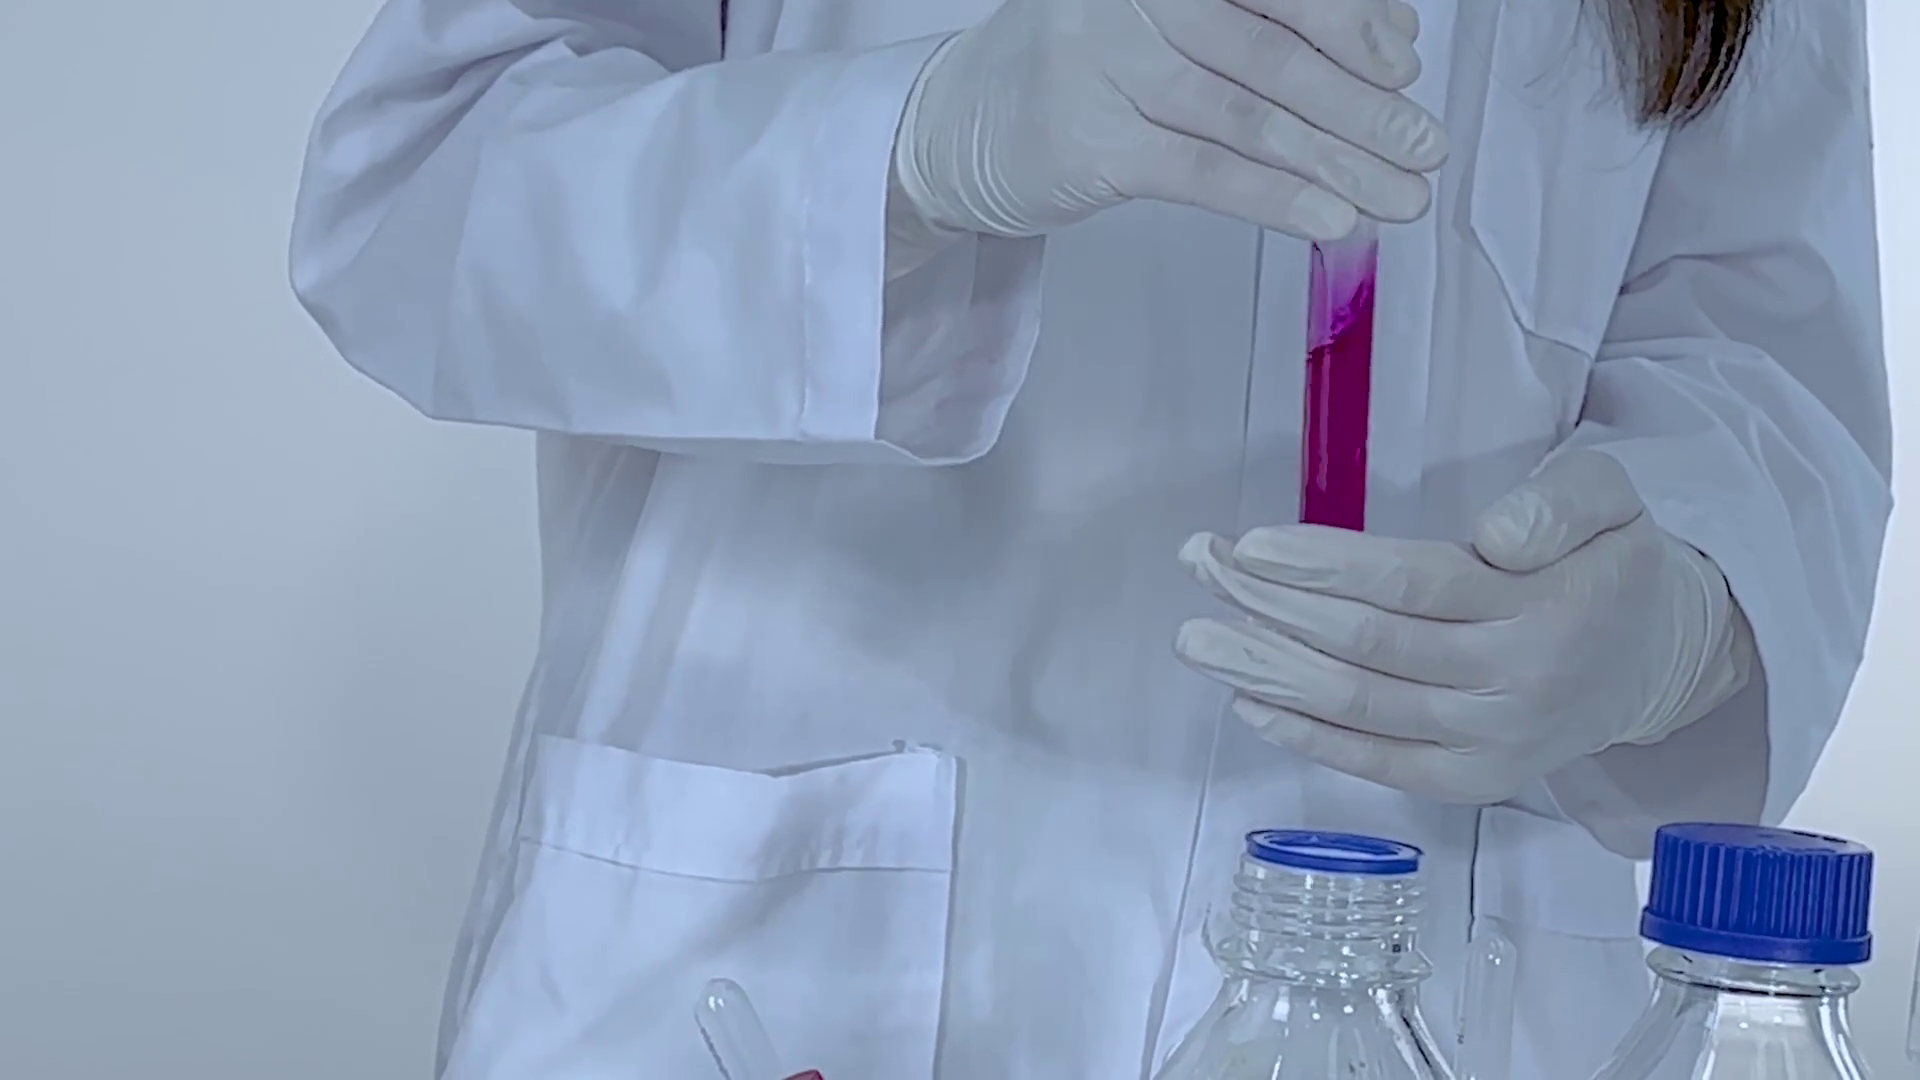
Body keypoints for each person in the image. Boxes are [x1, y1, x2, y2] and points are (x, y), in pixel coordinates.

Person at [287, 0, 1890, 1075]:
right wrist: (910, 146)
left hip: (1452, 963)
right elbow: (423, 190)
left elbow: (1767, 355)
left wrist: (1681, 608)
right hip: (788, 967)